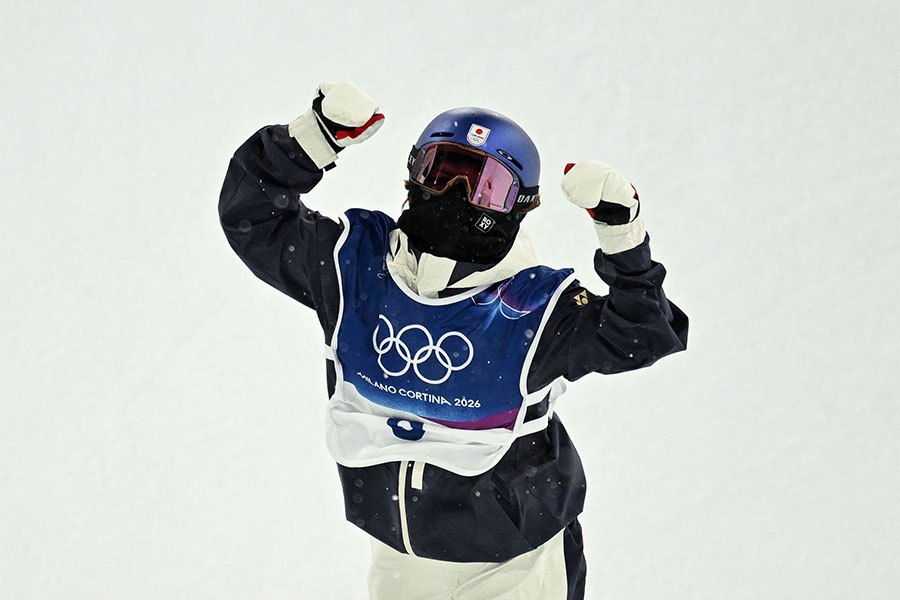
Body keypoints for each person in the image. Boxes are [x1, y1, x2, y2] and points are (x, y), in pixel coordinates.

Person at [219, 80, 688, 600]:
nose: (456, 196)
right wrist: (314, 137)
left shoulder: (534, 310)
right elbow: (253, 217)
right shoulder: (357, 271)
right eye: (441, 174)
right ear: (414, 175)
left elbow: (643, 333)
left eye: (485, 187)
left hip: (513, 564)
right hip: (401, 553)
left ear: (519, 206)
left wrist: (623, 237)